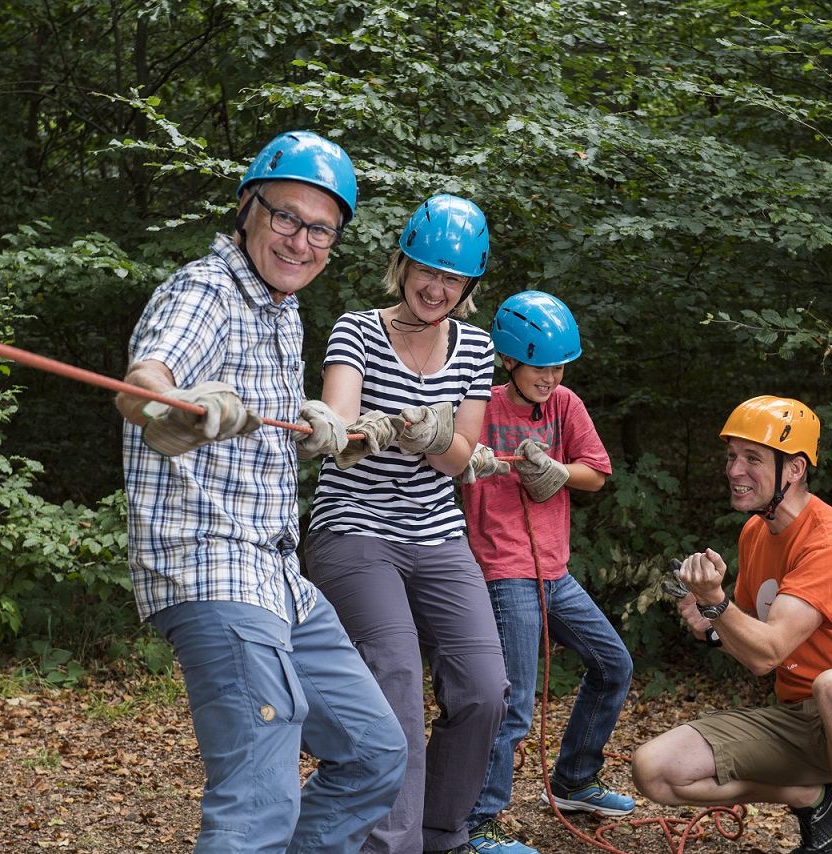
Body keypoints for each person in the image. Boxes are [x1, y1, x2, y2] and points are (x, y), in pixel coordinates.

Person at [114, 130, 407, 854]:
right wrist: (172, 410)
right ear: (248, 208)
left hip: (278, 573)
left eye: (321, 230)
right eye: (286, 217)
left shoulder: (280, 308)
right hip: (211, 563)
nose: (301, 241)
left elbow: (262, 426)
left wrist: (313, 425)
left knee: (376, 754)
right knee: (259, 798)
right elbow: (144, 383)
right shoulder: (206, 289)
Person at [631, 395, 832, 854]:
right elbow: (754, 650)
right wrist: (713, 625)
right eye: (731, 456)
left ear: (794, 469)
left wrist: (716, 602)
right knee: (653, 769)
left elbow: (769, 649)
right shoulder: (756, 533)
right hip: (802, 718)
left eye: (753, 458)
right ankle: (815, 799)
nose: (734, 470)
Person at [304, 193, 509, 854]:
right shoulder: (357, 330)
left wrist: (432, 435)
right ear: (403, 263)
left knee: (485, 691)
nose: (436, 286)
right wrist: (362, 430)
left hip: (436, 534)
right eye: (427, 269)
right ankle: (386, 846)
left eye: (452, 278)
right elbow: (340, 429)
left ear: (468, 285)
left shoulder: (476, 348)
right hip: (354, 528)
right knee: (394, 678)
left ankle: (442, 833)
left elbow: (468, 460)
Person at [459, 291, 636, 854]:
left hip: (553, 572)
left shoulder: (565, 405)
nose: (551, 375)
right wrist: (471, 464)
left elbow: (598, 472)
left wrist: (558, 470)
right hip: (502, 570)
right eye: (540, 364)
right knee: (512, 700)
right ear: (510, 359)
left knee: (613, 665)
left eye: (559, 365)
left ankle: (575, 781)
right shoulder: (482, 406)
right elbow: (448, 462)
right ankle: (478, 821)